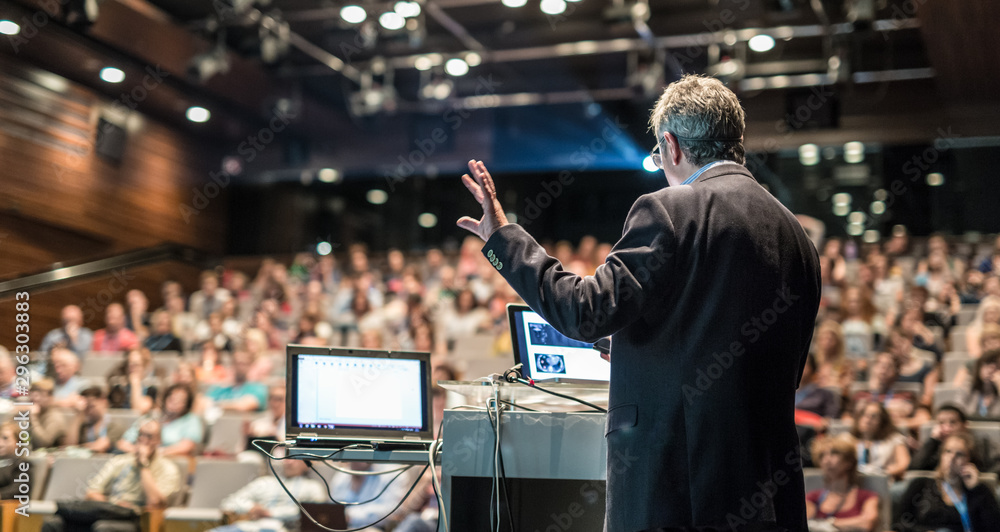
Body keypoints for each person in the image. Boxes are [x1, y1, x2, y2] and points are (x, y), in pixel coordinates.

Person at [455, 74, 822, 530]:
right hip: (769, 495)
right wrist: (640, 349)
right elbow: (761, 359)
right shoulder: (796, 236)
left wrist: (502, 239)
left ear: (671, 146)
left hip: (678, 490)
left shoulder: (671, 208)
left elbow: (583, 311)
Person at [41, 419, 181, 532]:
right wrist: (113, 504)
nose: (143, 440)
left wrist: (143, 465)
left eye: (149, 436)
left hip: (138, 519)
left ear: (158, 441)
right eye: (140, 435)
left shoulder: (168, 468)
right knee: (53, 523)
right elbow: (91, 493)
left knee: (103, 528)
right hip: (111, 512)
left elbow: (156, 502)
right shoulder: (120, 461)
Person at [894, 433, 1000, 532]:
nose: (952, 457)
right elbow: (899, 524)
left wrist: (976, 490)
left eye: (959, 454)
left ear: (969, 461)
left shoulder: (979, 491)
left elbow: (994, 528)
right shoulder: (920, 485)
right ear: (941, 456)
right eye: (948, 451)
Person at [212, 457, 326, 532]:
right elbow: (229, 502)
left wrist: (270, 513)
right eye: (287, 458)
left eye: (295, 459)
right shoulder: (265, 482)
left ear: (307, 464)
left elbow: (317, 513)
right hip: (250, 527)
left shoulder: (313, 487)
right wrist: (250, 507)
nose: (289, 462)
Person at [805, 434, 880, 532]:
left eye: (834, 453)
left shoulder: (866, 496)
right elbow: (806, 523)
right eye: (822, 456)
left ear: (849, 462)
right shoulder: (813, 497)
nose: (827, 460)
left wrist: (830, 523)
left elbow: (866, 524)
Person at [117, 384, 203, 457]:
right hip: (139, 459)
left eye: (180, 400)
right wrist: (140, 452)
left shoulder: (191, 420)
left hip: (171, 463)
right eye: (172, 397)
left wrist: (156, 454)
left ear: (187, 404)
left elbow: (186, 447)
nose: (174, 402)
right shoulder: (150, 417)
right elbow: (123, 443)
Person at [910, 405, 1000, 474]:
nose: (947, 428)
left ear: (964, 425)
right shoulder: (934, 447)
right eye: (941, 423)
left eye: (952, 422)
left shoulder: (982, 445)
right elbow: (913, 469)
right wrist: (932, 440)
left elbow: (996, 468)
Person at [850, 401, 910, 480]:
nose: (868, 419)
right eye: (864, 415)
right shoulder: (850, 440)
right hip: (856, 481)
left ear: (882, 421)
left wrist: (886, 473)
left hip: (883, 481)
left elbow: (903, 464)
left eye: (873, 416)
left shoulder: (894, 439)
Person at [72, 385, 127, 454]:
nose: (89, 411)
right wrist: (78, 416)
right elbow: (69, 444)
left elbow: (100, 447)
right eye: (86, 407)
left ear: (103, 401)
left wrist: (79, 447)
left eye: (92, 406)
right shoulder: (84, 426)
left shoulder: (114, 425)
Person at [958, 349, 1000, 420]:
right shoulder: (969, 385)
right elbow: (957, 410)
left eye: (996, 367)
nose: (990, 371)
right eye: (986, 365)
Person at [0, 421, 29, 499]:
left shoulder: (21, 464)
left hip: (9, 503)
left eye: (5, 438)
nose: (0, 444)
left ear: (18, 443)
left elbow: (19, 488)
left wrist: (1, 495)